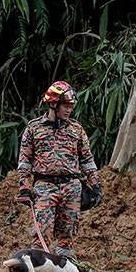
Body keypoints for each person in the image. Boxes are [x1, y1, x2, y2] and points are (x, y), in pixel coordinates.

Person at [16, 80, 102, 259]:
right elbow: (25, 160)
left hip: (72, 187)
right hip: (44, 186)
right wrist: (24, 187)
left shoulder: (76, 129)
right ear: (53, 104)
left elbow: (87, 160)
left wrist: (96, 185)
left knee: (68, 235)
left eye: (71, 106)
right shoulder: (34, 128)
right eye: (66, 105)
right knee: (42, 232)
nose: (69, 110)